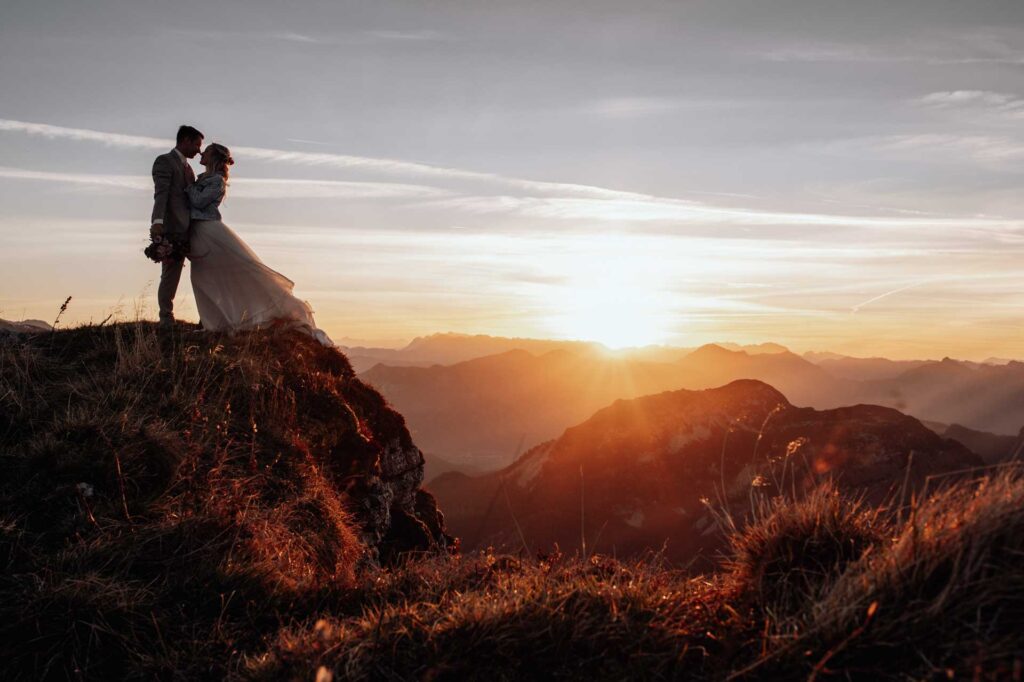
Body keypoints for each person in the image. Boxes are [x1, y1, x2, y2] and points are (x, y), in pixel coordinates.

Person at [186, 142, 333, 346]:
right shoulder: (204, 178)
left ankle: (219, 320)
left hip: (209, 231)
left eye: (207, 151)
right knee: (203, 276)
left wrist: (187, 186)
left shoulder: (216, 181)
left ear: (215, 158)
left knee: (220, 274)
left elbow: (198, 202)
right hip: (199, 232)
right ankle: (212, 320)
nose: (202, 153)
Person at [150, 125, 203, 327]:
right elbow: (161, 194)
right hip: (172, 228)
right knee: (170, 276)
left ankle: (207, 316)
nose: (198, 150)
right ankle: (166, 317)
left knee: (203, 272)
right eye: (197, 145)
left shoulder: (189, 169)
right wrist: (157, 223)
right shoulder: (164, 162)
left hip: (191, 230)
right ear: (186, 140)